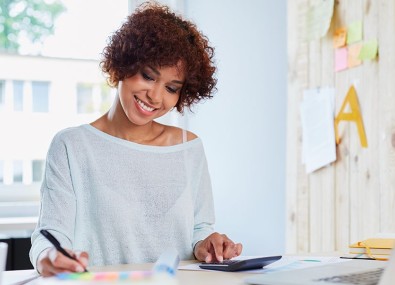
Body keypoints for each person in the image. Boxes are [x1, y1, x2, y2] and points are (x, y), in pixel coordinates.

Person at [29, 1, 242, 276]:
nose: (155, 96)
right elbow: (49, 235)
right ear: (123, 64)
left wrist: (208, 244)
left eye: (171, 87)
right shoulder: (72, 146)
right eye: (147, 76)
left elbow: (199, 230)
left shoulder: (189, 148)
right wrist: (50, 257)